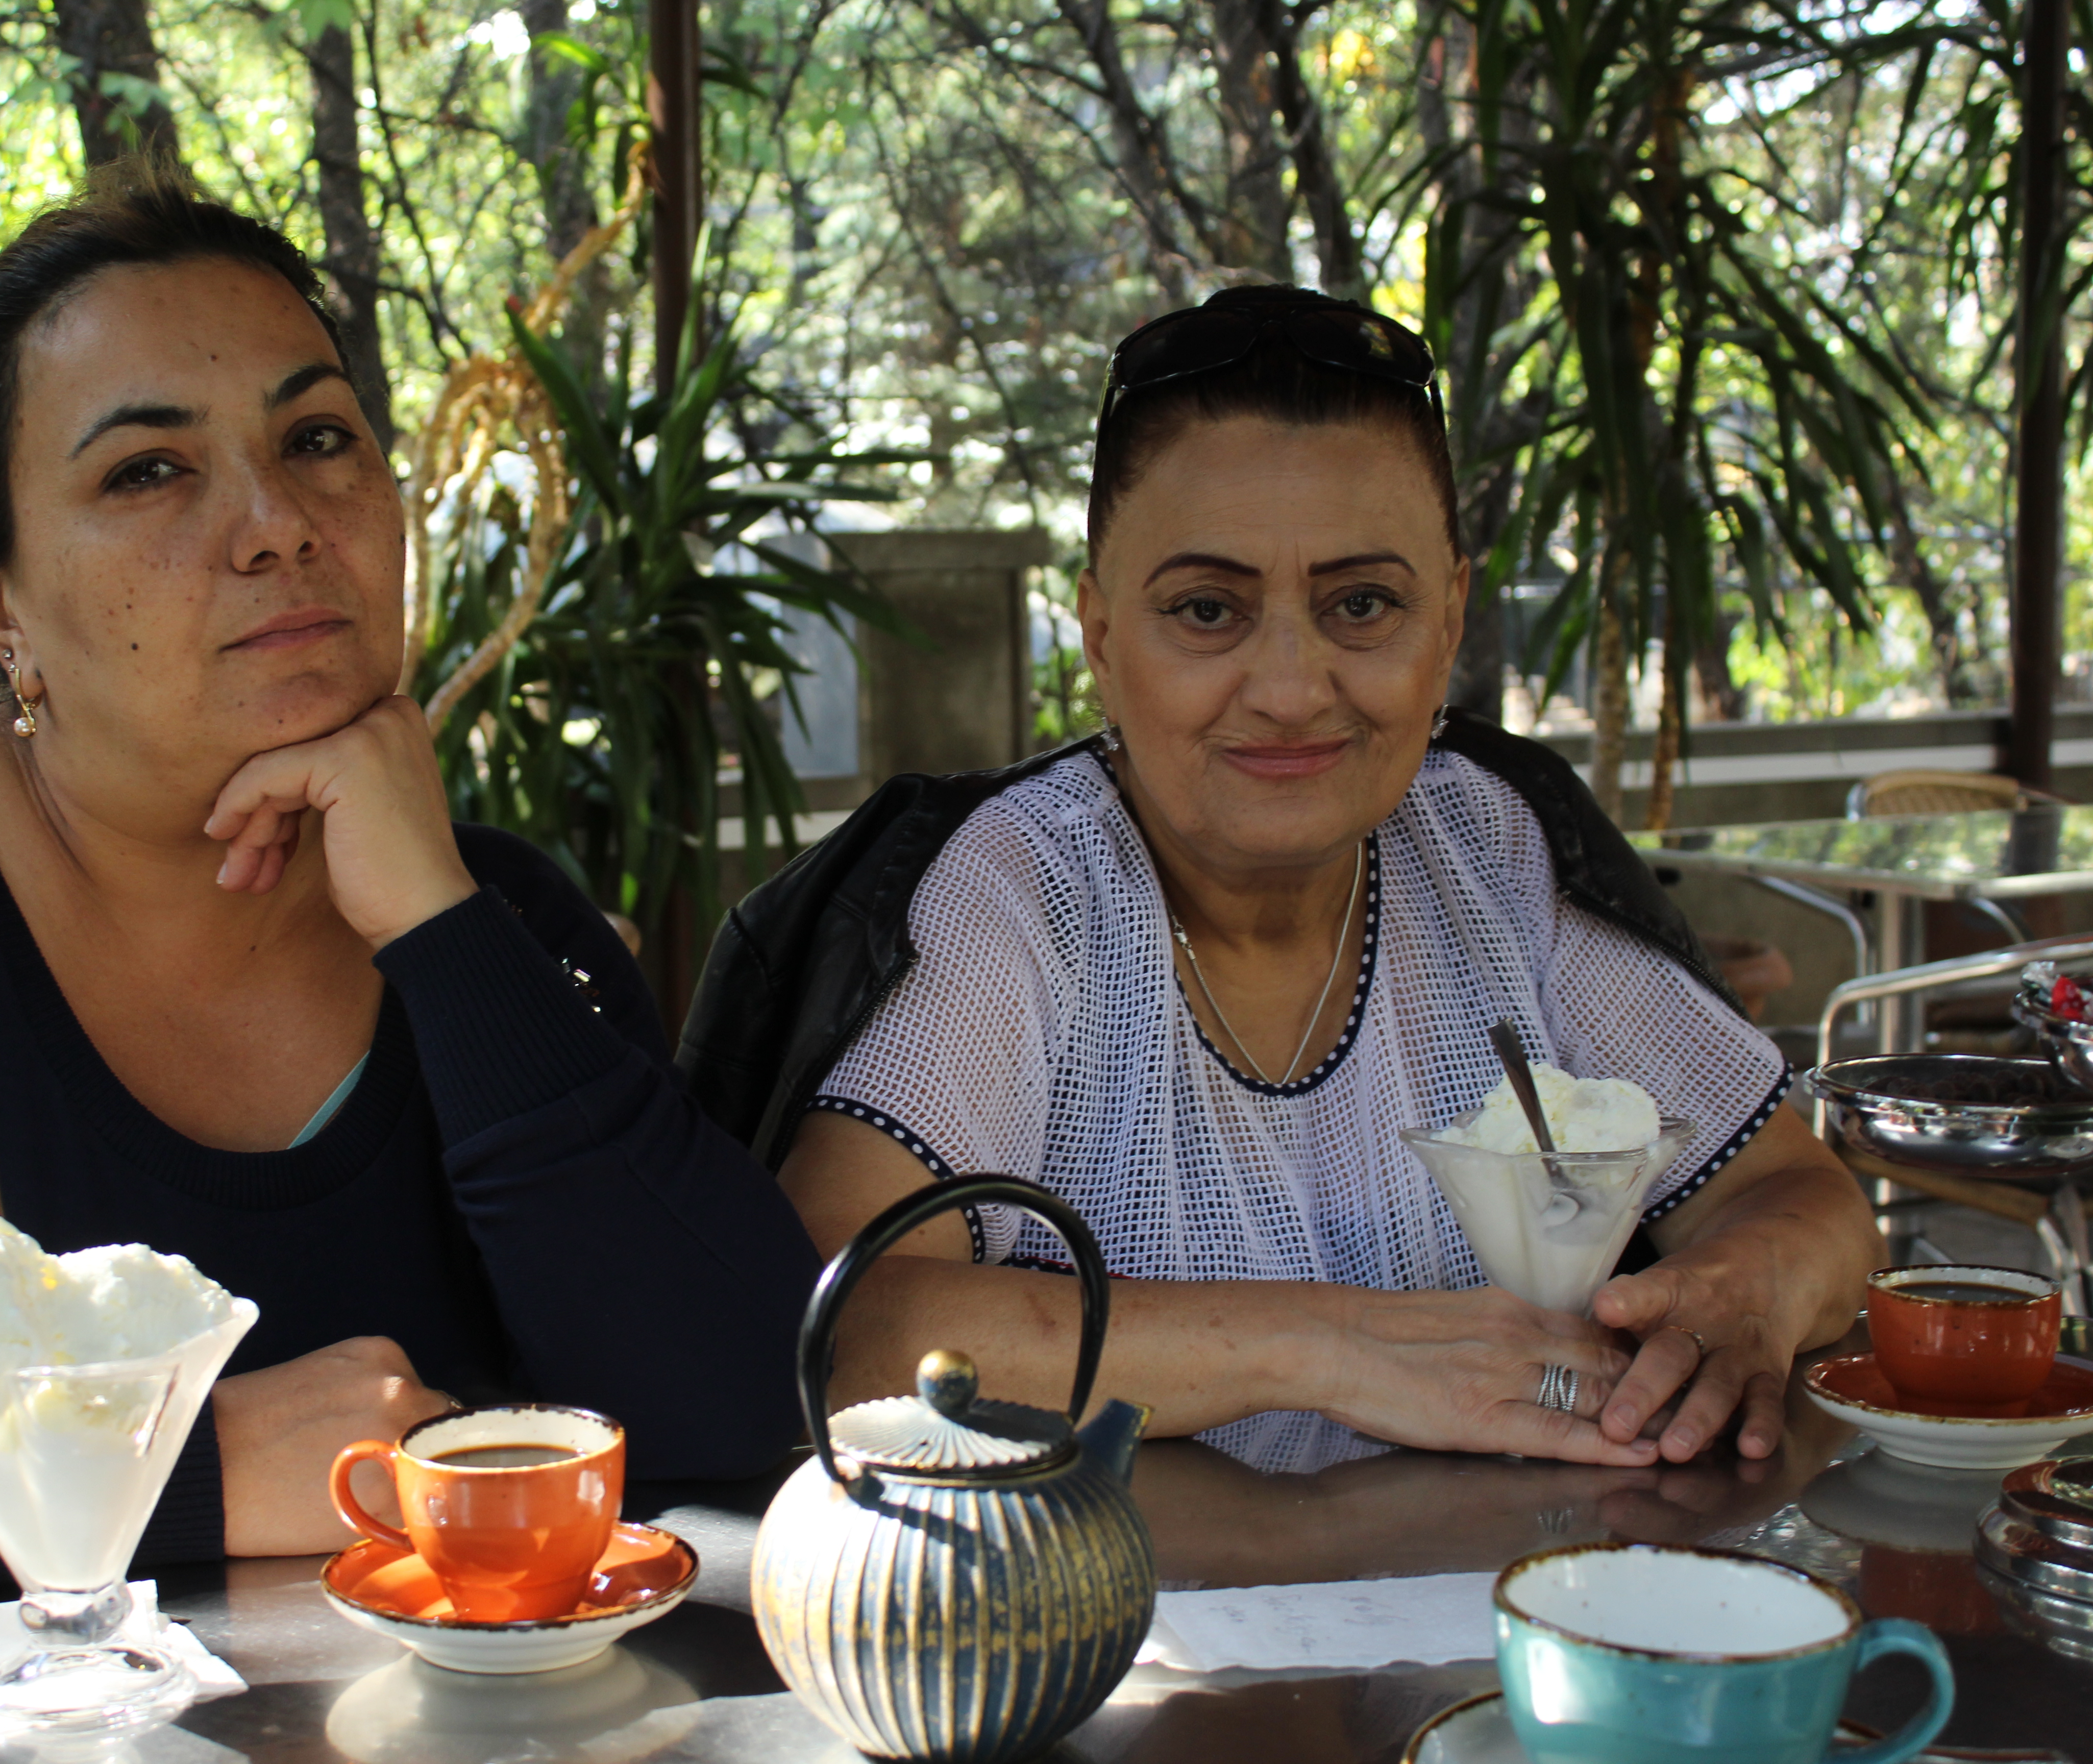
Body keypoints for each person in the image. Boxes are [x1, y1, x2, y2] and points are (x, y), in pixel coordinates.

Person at [0, 171, 820, 1631]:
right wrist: (171, 1460)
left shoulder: (503, 932)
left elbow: (740, 1412)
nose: (277, 523)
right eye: (147, 470)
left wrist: (440, 933)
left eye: (320, 438)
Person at [682, 285, 1879, 1475]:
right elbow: (844, 1320)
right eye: (1208, 610)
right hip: (1114, 1643)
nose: (1293, 687)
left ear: (1449, 617)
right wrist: (1337, 1349)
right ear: (1101, 634)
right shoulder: (1023, 888)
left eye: (1363, 605)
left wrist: (1745, 1295)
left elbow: (1801, 1201)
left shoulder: (1497, 852)